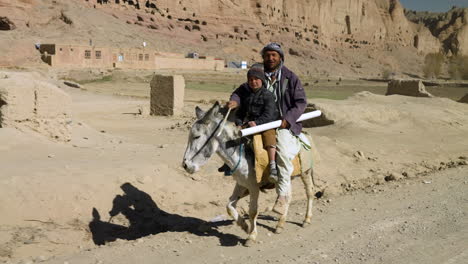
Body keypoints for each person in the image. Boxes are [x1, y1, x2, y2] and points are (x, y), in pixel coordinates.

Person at [228, 43, 307, 215]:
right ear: (263, 57)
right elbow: (240, 91)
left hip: (282, 124)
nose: (270, 58)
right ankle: (249, 182)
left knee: (283, 152)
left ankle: (282, 195)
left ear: (280, 57)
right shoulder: (257, 74)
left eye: (274, 55)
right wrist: (235, 101)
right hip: (258, 122)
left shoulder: (290, 78)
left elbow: (301, 102)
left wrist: (289, 119)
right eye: (267, 55)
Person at [220, 64, 279, 177]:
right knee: (233, 135)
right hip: (250, 124)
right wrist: (239, 123)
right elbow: (241, 112)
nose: (253, 82)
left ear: (261, 80)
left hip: (266, 124)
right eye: (251, 80)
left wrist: (257, 123)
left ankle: (272, 165)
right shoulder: (247, 95)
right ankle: (228, 163)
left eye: (256, 79)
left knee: (269, 136)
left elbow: (269, 114)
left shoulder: (268, 95)